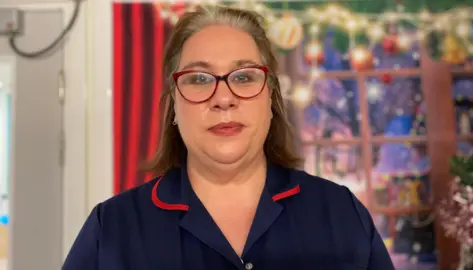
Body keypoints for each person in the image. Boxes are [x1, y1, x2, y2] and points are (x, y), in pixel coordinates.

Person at [63, 5, 394, 270]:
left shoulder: (340, 213)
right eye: (199, 78)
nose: (223, 98)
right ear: (174, 107)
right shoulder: (112, 229)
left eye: (245, 76)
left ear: (271, 100)